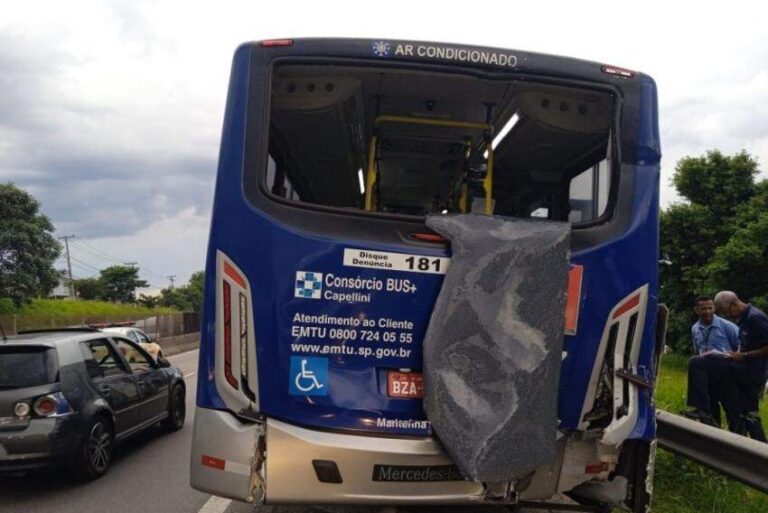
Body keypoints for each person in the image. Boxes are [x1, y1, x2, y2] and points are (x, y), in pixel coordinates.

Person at [714, 291, 768, 442]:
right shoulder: (743, 319)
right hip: (743, 372)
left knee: (751, 415)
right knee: (739, 413)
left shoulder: (755, 318)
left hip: (754, 375)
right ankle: (742, 447)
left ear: (733, 304)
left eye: (727, 313)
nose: (729, 317)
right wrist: (736, 354)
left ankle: (761, 451)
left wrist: (743, 356)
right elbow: (746, 344)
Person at [683, 296, 740, 427]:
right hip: (708, 373)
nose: (707, 311)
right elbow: (698, 350)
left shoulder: (727, 326)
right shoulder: (695, 328)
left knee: (733, 413)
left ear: (714, 308)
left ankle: (700, 408)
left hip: (727, 368)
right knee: (712, 412)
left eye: (710, 308)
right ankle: (712, 436)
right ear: (696, 310)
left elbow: (741, 348)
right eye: (703, 309)